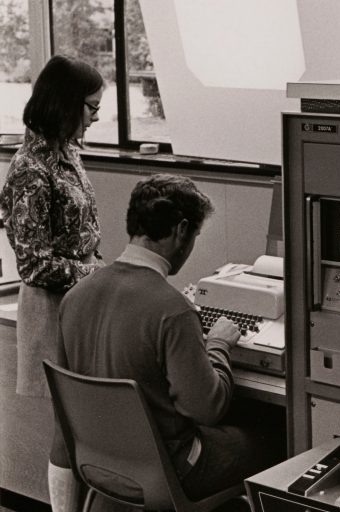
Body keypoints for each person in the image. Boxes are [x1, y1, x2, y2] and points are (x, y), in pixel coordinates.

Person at [53, 173, 285, 510]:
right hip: (169, 471)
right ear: (180, 231)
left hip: (98, 464)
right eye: (195, 236)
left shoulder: (75, 297)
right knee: (279, 438)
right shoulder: (173, 309)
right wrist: (218, 345)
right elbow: (206, 409)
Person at [0, 54, 105, 511]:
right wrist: (97, 273)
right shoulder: (29, 168)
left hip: (82, 302)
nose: (96, 117)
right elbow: (35, 266)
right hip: (52, 310)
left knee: (86, 425)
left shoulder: (67, 154)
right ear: (66, 105)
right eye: (91, 107)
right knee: (69, 428)